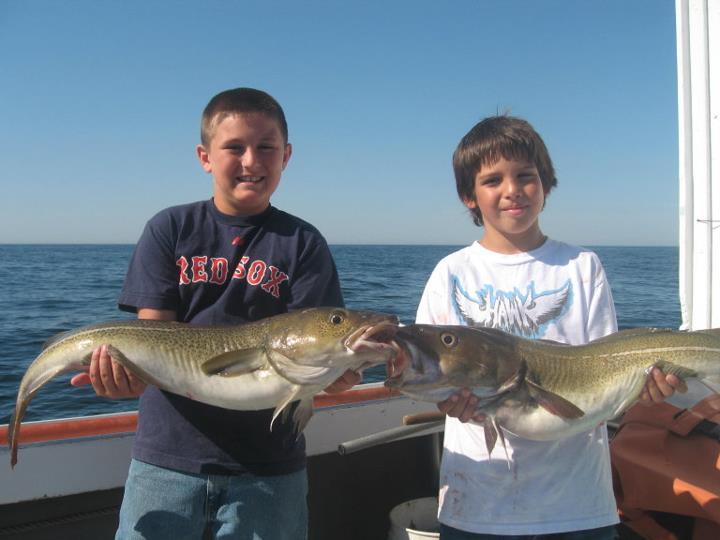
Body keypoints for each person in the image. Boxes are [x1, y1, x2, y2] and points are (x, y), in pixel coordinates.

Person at [70, 87, 359, 539]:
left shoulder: (304, 244)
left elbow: (312, 353)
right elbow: (153, 339)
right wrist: (126, 376)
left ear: (286, 155)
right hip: (165, 460)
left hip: (269, 470)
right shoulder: (170, 228)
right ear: (205, 157)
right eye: (234, 147)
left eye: (266, 148)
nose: (251, 160)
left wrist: (333, 375)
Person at [414, 115, 685, 539]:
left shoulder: (582, 267)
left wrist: (643, 390)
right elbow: (432, 375)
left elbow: (610, 382)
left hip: (578, 507)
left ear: (546, 183)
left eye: (525, 176)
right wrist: (448, 403)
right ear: (469, 195)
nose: (512, 190)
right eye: (492, 180)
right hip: (477, 508)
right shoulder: (449, 273)